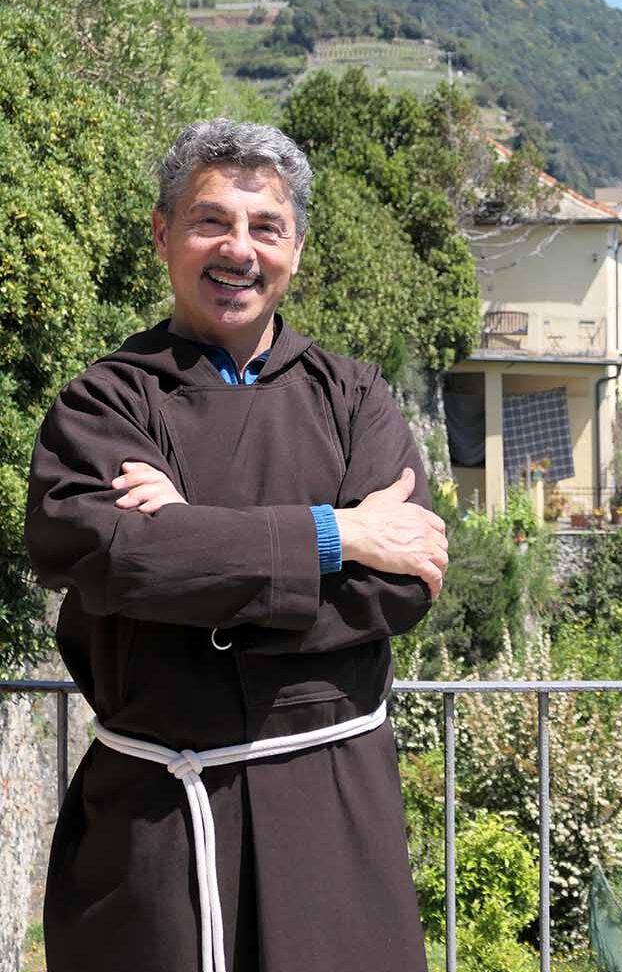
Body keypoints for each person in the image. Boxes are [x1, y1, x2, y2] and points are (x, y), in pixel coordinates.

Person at [25, 119, 449, 972]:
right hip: (158, 821)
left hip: (333, 811)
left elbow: (402, 588)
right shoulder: (102, 405)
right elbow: (114, 557)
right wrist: (339, 533)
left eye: (266, 227)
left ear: (295, 245)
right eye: (211, 221)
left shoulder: (355, 398)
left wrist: (196, 545)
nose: (239, 249)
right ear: (162, 232)